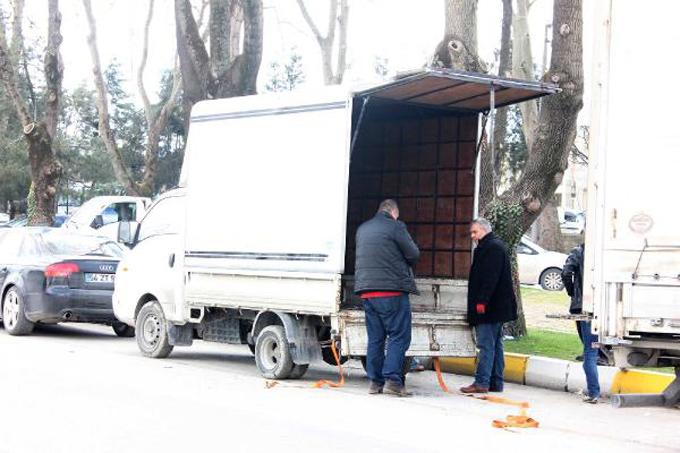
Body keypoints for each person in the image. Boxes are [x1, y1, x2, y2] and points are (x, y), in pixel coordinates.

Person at [354, 199, 420, 397]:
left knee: (375, 338)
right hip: (391, 291)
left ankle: (375, 382)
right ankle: (393, 379)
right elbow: (413, 253)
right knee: (399, 336)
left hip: (367, 291)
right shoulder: (395, 227)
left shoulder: (363, 229)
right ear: (393, 212)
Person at [460, 218, 517, 394]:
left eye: (474, 232)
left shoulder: (491, 248)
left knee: (486, 345)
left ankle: (482, 382)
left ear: (484, 230)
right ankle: (496, 382)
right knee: (496, 345)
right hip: (497, 307)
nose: (472, 236)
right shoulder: (495, 246)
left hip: (490, 307)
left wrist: (481, 302)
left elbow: (489, 279)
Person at [562, 243, 601, 403]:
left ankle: (593, 392)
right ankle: (594, 390)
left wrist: (572, 292)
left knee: (589, 352)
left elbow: (565, 273)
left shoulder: (579, 251)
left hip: (582, 307)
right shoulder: (603, 252)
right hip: (603, 309)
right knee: (593, 349)